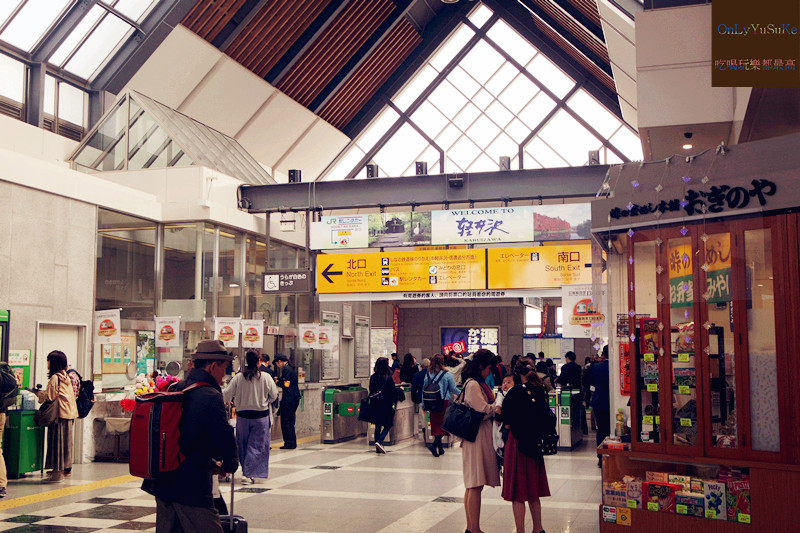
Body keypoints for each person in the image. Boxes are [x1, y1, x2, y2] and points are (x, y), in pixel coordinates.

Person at [142, 340, 238, 533]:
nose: (224, 375)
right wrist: (230, 464)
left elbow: (186, 438)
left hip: (163, 481)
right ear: (213, 366)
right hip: (190, 486)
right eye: (224, 368)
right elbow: (223, 437)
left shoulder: (177, 388)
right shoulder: (210, 395)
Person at [501, 356, 551, 533]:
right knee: (534, 490)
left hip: (518, 443)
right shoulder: (541, 389)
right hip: (536, 443)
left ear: (516, 373)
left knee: (518, 492)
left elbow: (505, 419)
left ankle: (520, 530)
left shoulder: (515, 392)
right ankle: (538, 529)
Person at [223, 350, 278, 485]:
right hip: (260, 417)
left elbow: (227, 395)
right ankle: (247, 474)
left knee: (243, 445)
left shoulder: (238, 377)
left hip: (242, 418)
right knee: (256, 446)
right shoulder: (265, 377)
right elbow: (274, 395)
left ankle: (246, 471)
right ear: (259, 361)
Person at [460, 349, 500, 533]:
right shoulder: (474, 385)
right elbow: (481, 410)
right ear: (482, 366)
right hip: (477, 437)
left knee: (473, 484)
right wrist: (496, 407)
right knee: (475, 484)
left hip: (476, 436)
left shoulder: (474, 383)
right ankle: (474, 529)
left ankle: (471, 528)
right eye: (490, 368)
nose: (491, 372)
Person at [35, 350, 78, 483]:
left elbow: (50, 397)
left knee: (57, 443)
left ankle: (57, 474)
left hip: (59, 414)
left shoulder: (55, 378)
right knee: (65, 444)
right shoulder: (65, 375)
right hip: (69, 413)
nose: (47, 363)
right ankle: (64, 470)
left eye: (48, 360)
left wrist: (38, 394)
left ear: (53, 362)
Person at [422, 354, 459, 457]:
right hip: (444, 402)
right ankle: (434, 445)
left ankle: (440, 448)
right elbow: (453, 389)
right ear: (442, 362)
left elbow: (423, 390)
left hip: (431, 402)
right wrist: (462, 394)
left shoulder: (428, 374)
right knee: (444, 424)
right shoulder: (447, 374)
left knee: (436, 424)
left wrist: (424, 405)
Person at [369, 357, 398, 454]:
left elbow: (371, 390)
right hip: (386, 405)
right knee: (388, 424)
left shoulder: (373, 377)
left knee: (377, 426)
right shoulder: (388, 378)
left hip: (375, 404)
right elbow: (393, 391)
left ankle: (377, 448)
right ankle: (380, 441)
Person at [274, 354, 300, 450]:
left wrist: (278, 382)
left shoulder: (286, 369)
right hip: (294, 398)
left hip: (289, 399)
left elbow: (286, 384)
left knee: (285, 421)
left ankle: (289, 443)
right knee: (290, 421)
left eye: (277, 363)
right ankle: (292, 442)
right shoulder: (290, 368)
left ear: (280, 361)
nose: (277, 365)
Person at [590, 346, 611, 466]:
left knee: (601, 430)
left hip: (598, 402)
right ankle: (611, 455)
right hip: (612, 402)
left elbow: (591, 381)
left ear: (604, 354)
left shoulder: (597, 367)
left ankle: (600, 457)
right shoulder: (617, 367)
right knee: (612, 430)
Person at [492, 373, 515, 464]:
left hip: (507, 423)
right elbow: (498, 401)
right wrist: (498, 407)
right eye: (504, 382)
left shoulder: (513, 393)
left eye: (508, 382)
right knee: (498, 437)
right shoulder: (501, 393)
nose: (505, 384)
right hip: (500, 422)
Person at [582, 355, 596, 432]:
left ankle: (593, 424)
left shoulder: (586, 368)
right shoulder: (593, 367)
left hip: (589, 386)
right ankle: (594, 424)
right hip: (592, 386)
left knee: (589, 398)